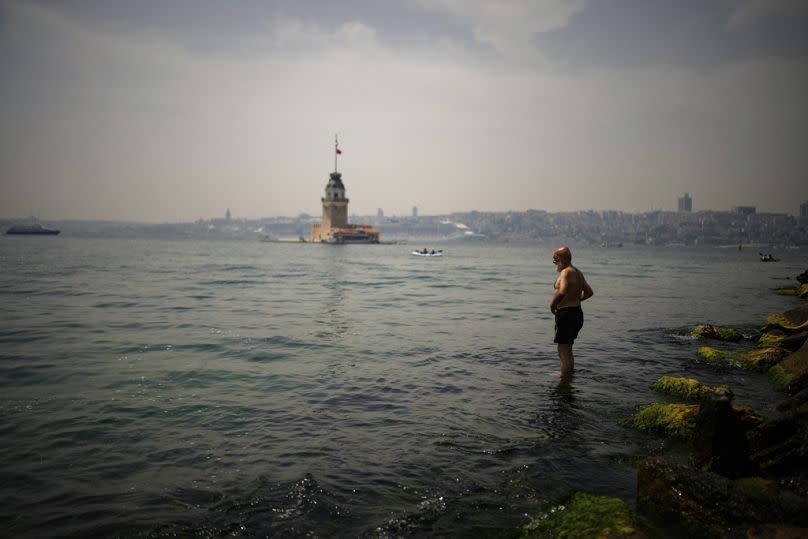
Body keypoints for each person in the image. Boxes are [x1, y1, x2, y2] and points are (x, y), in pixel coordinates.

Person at [550, 246, 593, 375]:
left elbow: (562, 291)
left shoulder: (566, 272)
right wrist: (575, 300)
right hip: (577, 313)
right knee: (567, 349)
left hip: (566, 315)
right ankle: (569, 376)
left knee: (563, 350)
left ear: (562, 258)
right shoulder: (577, 272)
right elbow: (589, 292)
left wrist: (553, 305)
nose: (553, 261)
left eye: (555, 258)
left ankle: (565, 380)